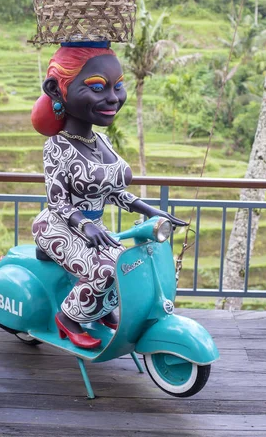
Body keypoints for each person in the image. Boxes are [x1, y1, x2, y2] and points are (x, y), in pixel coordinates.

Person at [31, 43, 186, 350]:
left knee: (128, 265)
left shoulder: (100, 140)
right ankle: (69, 318)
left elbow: (115, 192)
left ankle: (98, 309)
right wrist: (84, 225)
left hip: (94, 229)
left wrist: (152, 211)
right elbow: (57, 201)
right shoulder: (57, 147)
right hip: (57, 226)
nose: (113, 98)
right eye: (98, 87)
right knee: (104, 270)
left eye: (118, 86)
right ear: (56, 89)